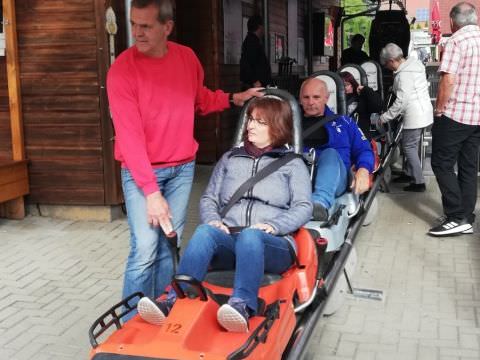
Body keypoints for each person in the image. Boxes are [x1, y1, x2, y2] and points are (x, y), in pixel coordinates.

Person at [106, 0, 263, 320]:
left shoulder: (186, 59)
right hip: (142, 173)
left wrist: (234, 99)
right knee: (144, 250)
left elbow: (200, 99)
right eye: (133, 24)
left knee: (167, 248)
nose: (137, 32)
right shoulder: (122, 70)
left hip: (180, 170)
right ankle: (128, 327)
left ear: (167, 27)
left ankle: (161, 312)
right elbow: (129, 137)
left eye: (145, 26)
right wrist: (151, 193)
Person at [135, 97, 313, 333]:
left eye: (259, 122)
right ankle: (171, 298)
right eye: (250, 119)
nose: (250, 126)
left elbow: (304, 207)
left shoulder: (292, 164)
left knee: (251, 236)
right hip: (231, 239)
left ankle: (241, 306)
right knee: (204, 231)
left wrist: (274, 225)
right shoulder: (230, 158)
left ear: (277, 126)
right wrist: (213, 220)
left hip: (272, 243)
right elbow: (209, 198)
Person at [429, 2, 480, 237]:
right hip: (477, 117)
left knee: (441, 163)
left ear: (453, 21)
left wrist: (439, 110)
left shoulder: (456, 41)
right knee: (469, 168)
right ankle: (467, 217)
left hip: (455, 115)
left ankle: (456, 215)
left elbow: (447, 80)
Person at [300, 78, 374, 221]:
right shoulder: (288, 122)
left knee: (330, 154)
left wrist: (364, 170)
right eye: (306, 97)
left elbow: (364, 149)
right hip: (298, 177)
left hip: (334, 177)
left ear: (326, 98)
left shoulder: (344, 122)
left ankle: (319, 204)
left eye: (316, 97)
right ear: (300, 98)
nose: (310, 102)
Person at [378, 43, 433, 193]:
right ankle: (409, 174)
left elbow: (402, 101)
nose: (388, 68)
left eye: (387, 65)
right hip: (424, 112)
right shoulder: (415, 65)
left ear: (391, 60)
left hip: (415, 115)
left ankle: (419, 182)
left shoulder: (404, 74)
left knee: (409, 147)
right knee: (409, 145)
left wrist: (385, 117)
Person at [339, 71, 383, 140]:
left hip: (361, 136)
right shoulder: (336, 100)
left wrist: (366, 90)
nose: (344, 88)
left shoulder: (362, 97)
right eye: (341, 86)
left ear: (352, 84)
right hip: (343, 135)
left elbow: (378, 107)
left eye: (346, 85)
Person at [240, 15, 272, 89]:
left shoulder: (252, 41)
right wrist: (254, 80)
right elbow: (247, 63)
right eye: (263, 27)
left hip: (257, 84)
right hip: (255, 85)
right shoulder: (252, 42)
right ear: (260, 27)